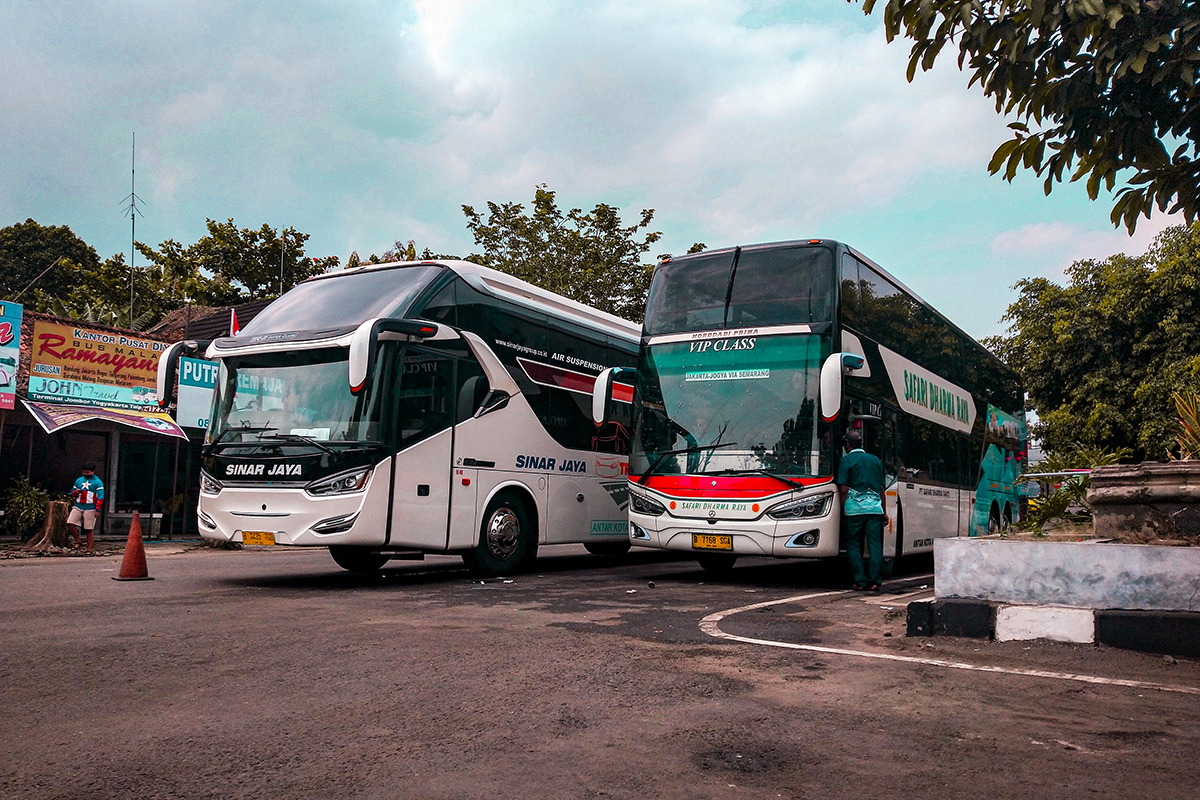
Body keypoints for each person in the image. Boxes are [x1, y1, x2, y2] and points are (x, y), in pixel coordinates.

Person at [836, 430, 888, 591]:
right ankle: (874, 581)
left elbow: (844, 488)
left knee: (853, 545)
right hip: (874, 510)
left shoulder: (846, 461)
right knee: (875, 546)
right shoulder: (875, 460)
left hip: (854, 510)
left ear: (847, 445)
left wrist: (843, 507)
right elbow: (881, 489)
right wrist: (884, 511)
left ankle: (860, 581)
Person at [67, 462, 105, 555]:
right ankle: (78, 540)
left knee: (89, 529)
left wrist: (97, 509)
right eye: (84, 472)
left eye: (88, 472)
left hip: (91, 507)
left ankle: (89, 549)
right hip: (78, 505)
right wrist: (76, 492)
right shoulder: (79, 480)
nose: (86, 474)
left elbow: (100, 496)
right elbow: (72, 493)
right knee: (70, 523)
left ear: (93, 472)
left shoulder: (97, 482)